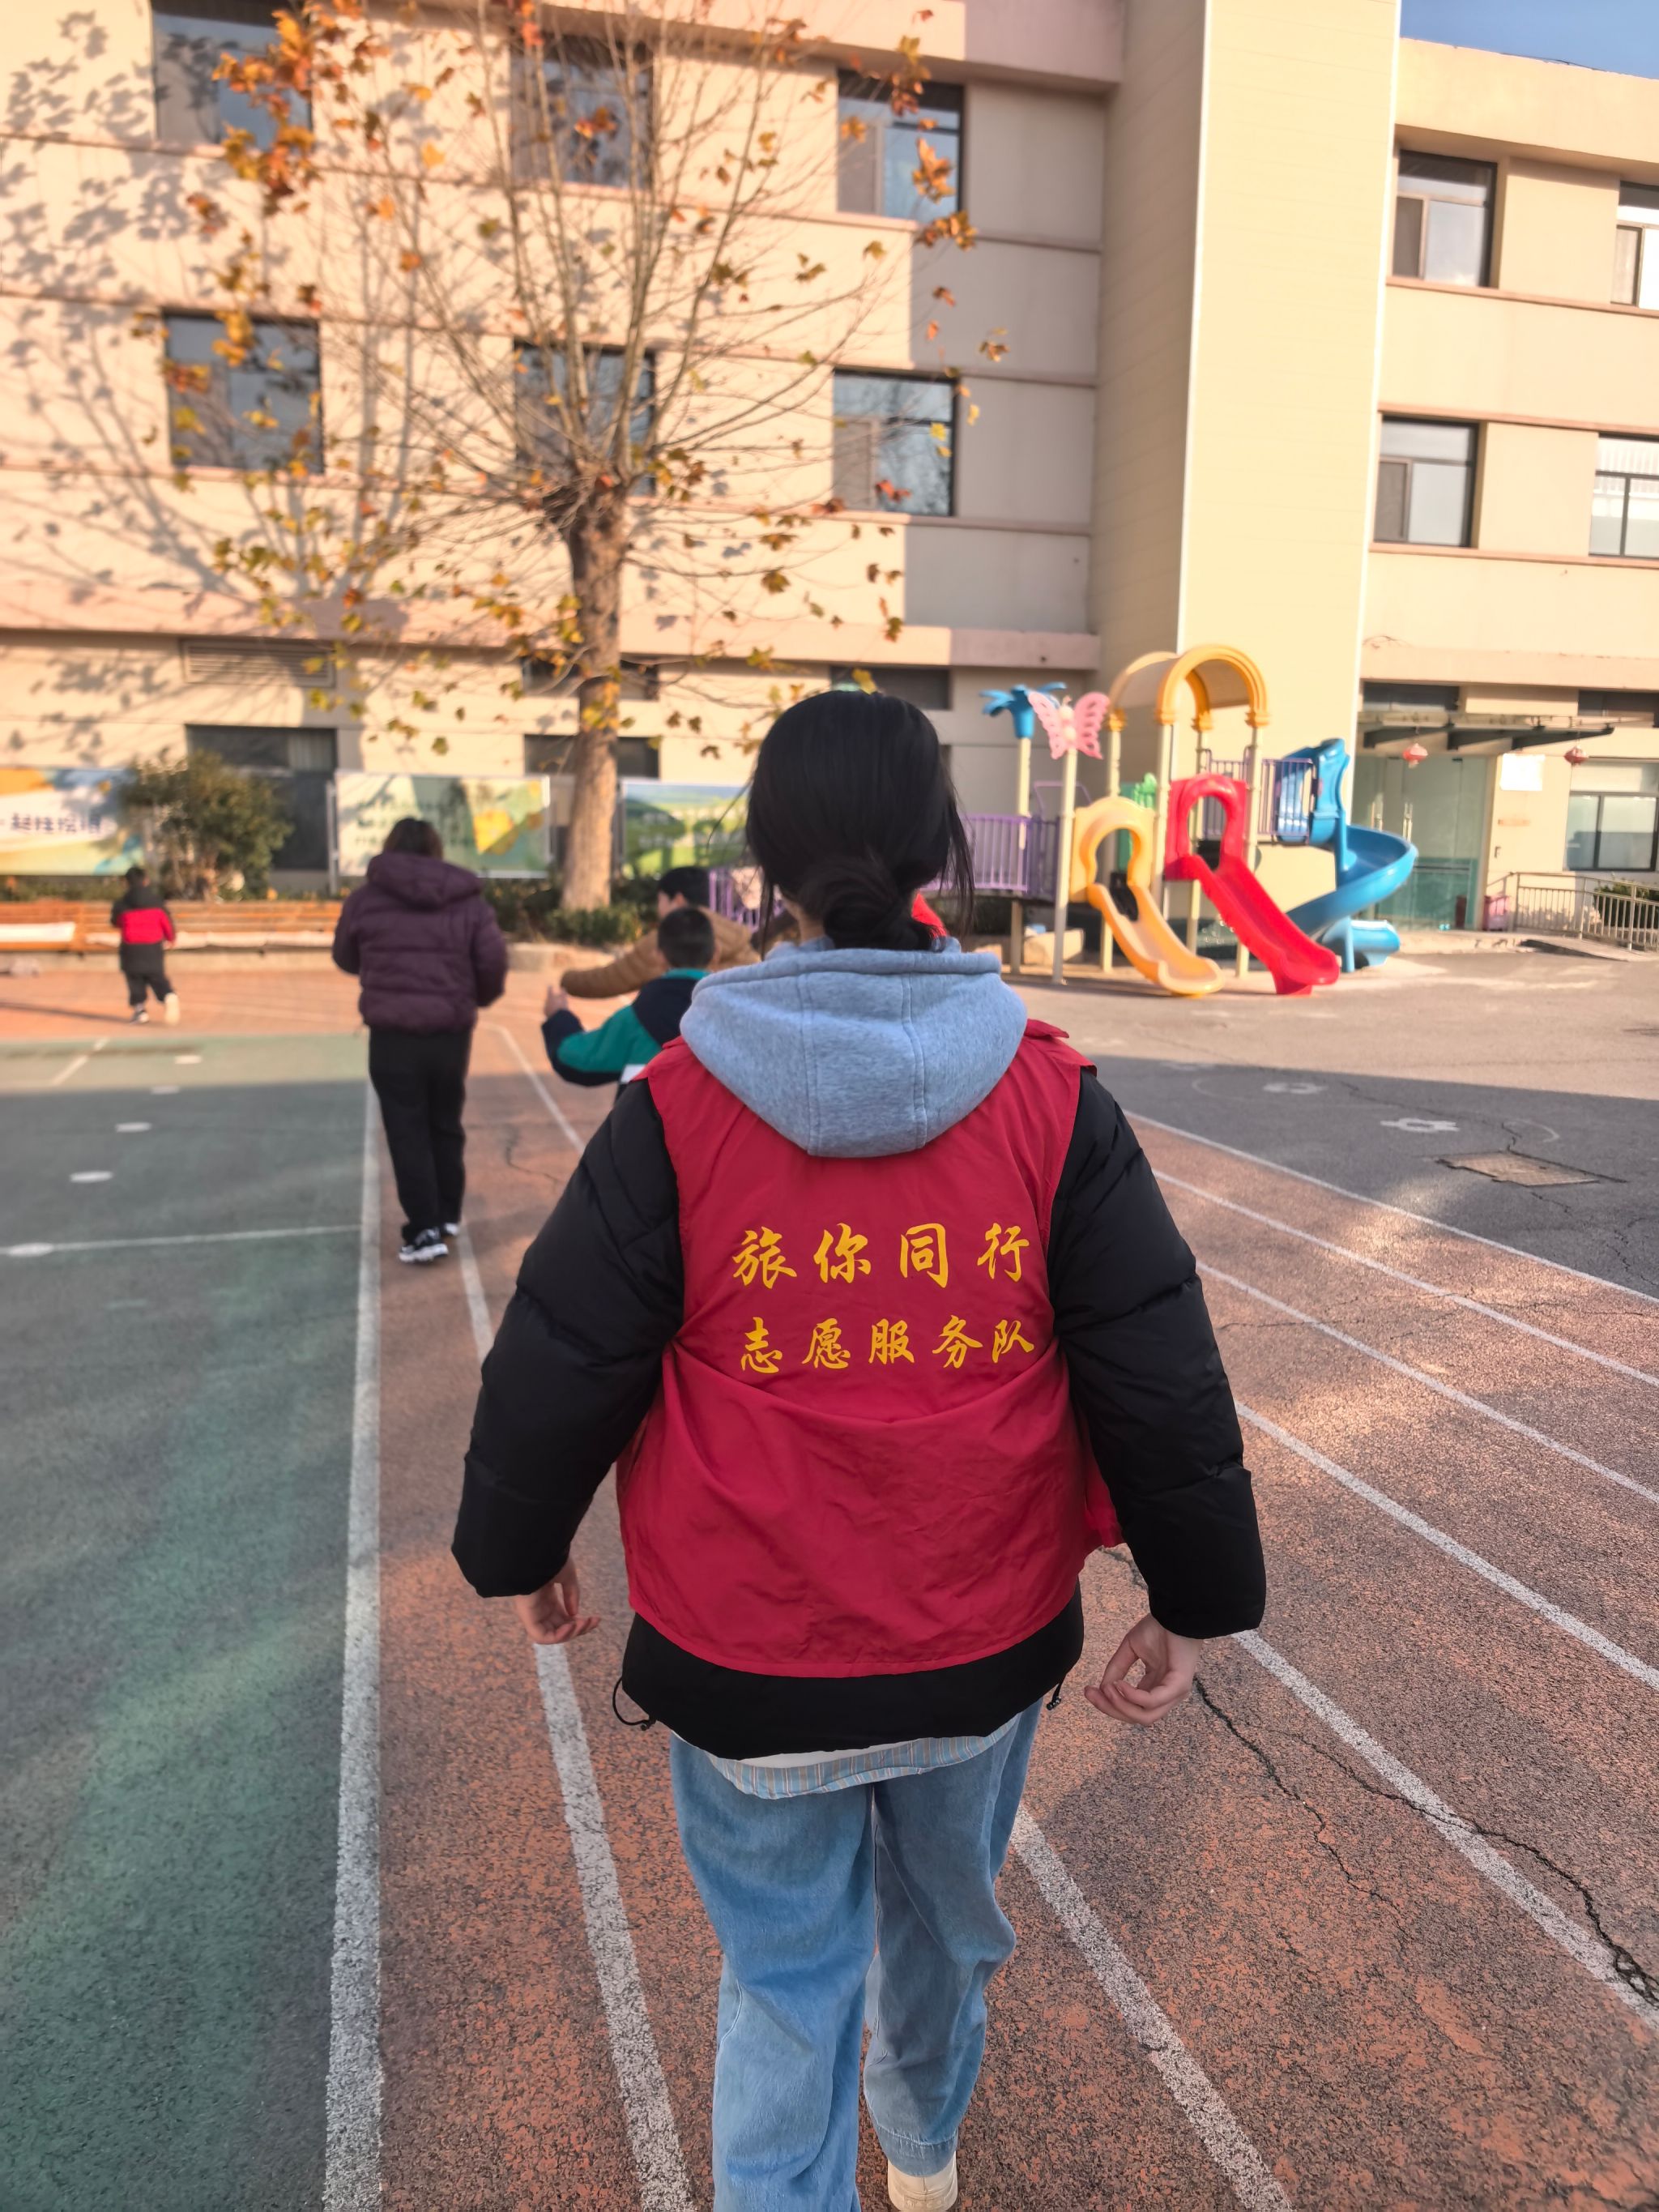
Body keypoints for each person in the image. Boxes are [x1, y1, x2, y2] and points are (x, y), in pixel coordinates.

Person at [452, 692, 1265, 2211]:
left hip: (744, 1650)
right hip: (979, 1639)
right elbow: (1157, 1361)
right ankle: (924, 2151)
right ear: (939, 850)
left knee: (783, 1978)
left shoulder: (676, 1105)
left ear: (762, 864)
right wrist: (1197, 1595)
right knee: (944, 1929)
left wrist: (520, 1548)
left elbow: (562, 1355)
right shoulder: (1050, 1095)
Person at [332, 818, 507, 1266]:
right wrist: (473, 997)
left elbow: (345, 956)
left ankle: (424, 1227)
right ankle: (447, 1213)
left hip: (392, 1034)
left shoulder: (365, 900)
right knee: (445, 1120)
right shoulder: (468, 901)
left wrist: (381, 966)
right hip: (450, 1031)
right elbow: (491, 962)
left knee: (406, 1128)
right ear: (436, 849)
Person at [541, 904, 713, 1091]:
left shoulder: (638, 1016)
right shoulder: (730, 1011)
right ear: (716, 952)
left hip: (649, 1110)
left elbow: (575, 1058)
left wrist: (559, 1017)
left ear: (659, 956)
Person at [559, 862, 756, 999]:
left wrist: (565, 980)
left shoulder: (665, 939)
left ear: (677, 900)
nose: (658, 908)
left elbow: (608, 980)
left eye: (660, 900)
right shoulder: (741, 943)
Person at [109, 865, 179, 1025]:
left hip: (131, 947)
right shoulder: (156, 901)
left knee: (134, 978)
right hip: (153, 945)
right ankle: (168, 995)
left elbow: (116, 922)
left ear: (127, 882)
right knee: (156, 976)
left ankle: (140, 1011)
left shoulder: (122, 903)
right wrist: (171, 938)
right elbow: (166, 922)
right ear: (146, 880)